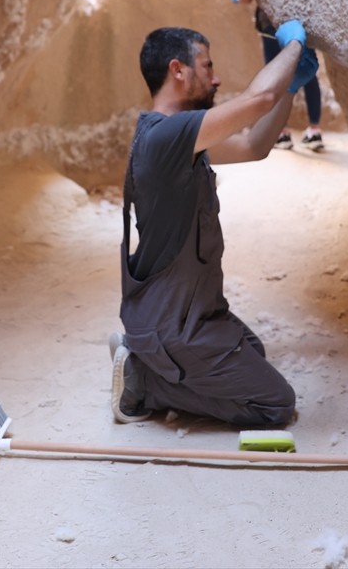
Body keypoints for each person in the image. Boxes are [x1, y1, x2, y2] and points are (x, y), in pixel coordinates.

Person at [110, 21, 319, 427]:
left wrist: (291, 88)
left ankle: (150, 361)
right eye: (207, 66)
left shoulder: (174, 138)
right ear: (178, 70)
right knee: (275, 404)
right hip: (174, 324)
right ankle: (147, 381)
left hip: (185, 315)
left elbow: (253, 146)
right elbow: (260, 97)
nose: (216, 77)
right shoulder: (168, 136)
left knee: (252, 352)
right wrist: (291, 46)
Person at [232, 0, 324, 151]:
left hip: (270, 24)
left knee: (275, 74)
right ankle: (314, 130)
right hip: (299, 19)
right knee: (308, 70)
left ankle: (281, 133)